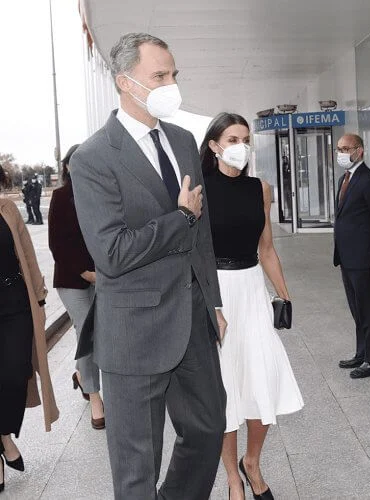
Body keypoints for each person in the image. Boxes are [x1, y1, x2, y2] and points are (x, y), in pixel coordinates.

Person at [69, 33, 227, 499]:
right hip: (133, 331)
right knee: (138, 464)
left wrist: (213, 302)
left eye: (173, 74)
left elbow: (203, 235)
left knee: (208, 430)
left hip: (193, 319)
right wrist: (178, 217)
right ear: (125, 83)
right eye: (159, 76)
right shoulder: (94, 157)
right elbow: (112, 254)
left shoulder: (181, 141)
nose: (171, 84)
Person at [200, 112, 304, 500]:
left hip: (252, 289)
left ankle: (252, 461)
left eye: (245, 138)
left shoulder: (260, 188)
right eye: (231, 138)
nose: (239, 145)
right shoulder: (200, 190)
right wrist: (211, 305)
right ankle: (232, 477)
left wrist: (284, 294)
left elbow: (267, 248)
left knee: (263, 377)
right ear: (214, 146)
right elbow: (194, 254)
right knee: (225, 384)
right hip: (217, 293)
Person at [0, 165, 59, 493]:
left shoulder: (7, 209)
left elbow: (27, 255)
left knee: (15, 372)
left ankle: (4, 431)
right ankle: (4, 441)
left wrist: (38, 294)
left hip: (14, 302)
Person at [47, 144, 105, 430]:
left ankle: (82, 376)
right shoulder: (60, 197)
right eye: (75, 162)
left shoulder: (102, 193)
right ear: (68, 167)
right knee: (87, 331)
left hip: (104, 277)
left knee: (102, 332)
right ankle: (94, 396)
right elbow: (57, 243)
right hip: (72, 279)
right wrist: (84, 272)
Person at [333, 133, 370, 379]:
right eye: (339, 148)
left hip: (364, 258)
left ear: (360, 151)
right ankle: (362, 352)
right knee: (356, 308)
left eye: (347, 148)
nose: (342, 153)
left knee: (368, 309)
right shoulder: (344, 179)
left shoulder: (369, 181)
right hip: (347, 257)